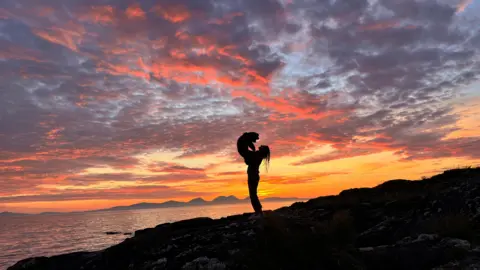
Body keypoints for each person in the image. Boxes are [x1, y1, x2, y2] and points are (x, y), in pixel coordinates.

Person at [247, 145, 270, 218]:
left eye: (262, 147)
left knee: (253, 194)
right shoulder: (258, 155)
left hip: (253, 176)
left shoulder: (257, 156)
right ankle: (258, 211)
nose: (260, 146)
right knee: (253, 194)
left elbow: (248, 161)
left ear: (263, 150)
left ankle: (258, 212)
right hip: (254, 176)